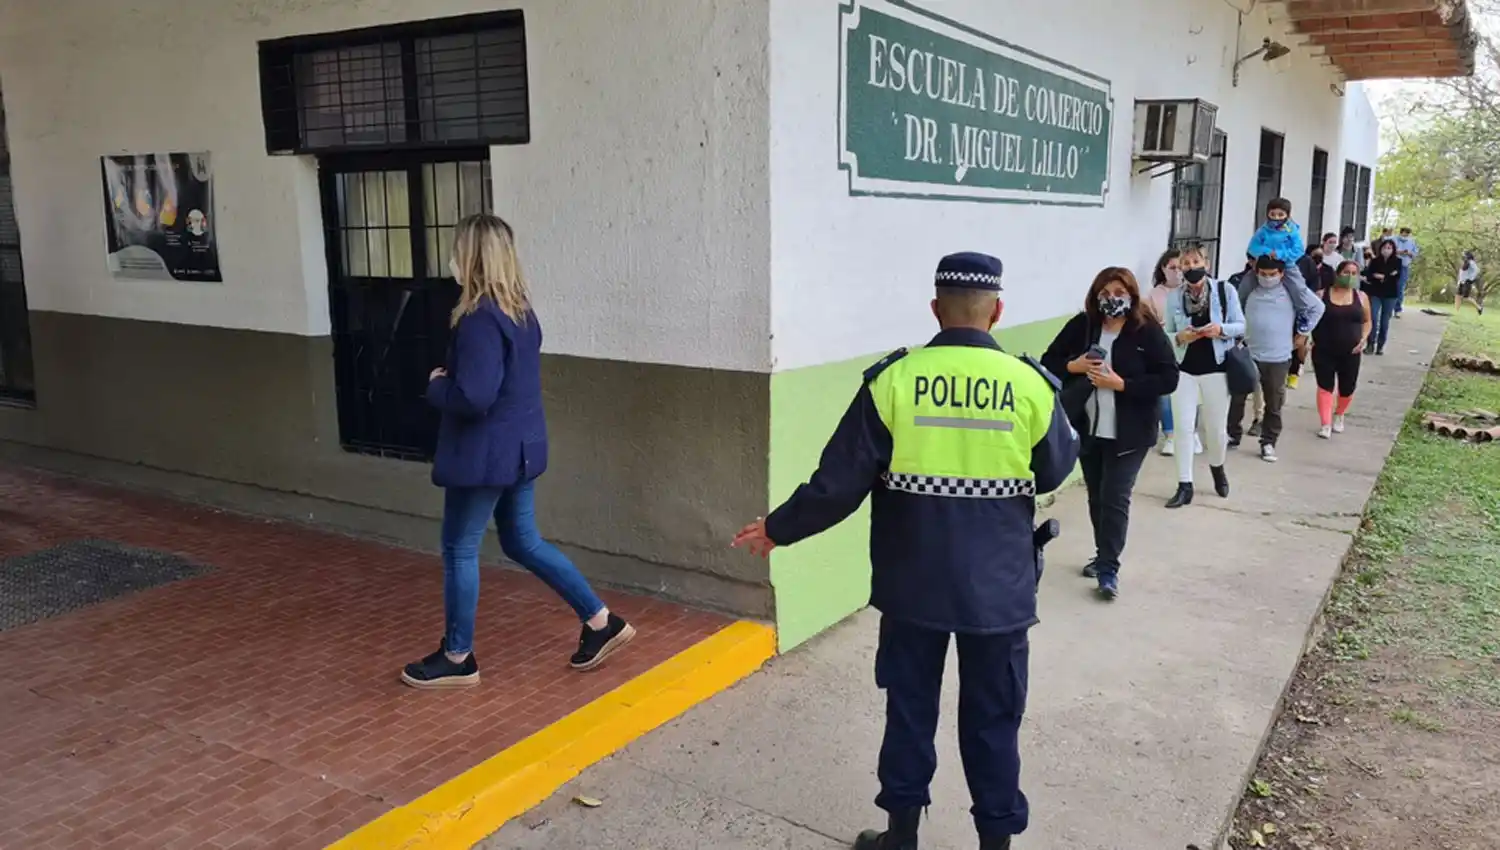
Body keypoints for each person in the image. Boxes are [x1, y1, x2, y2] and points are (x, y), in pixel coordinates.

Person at [732, 252, 1079, 850]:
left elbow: (836, 483)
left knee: (910, 711)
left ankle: (900, 836)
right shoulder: (1029, 384)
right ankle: (995, 841)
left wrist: (779, 529)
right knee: (994, 719)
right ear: (996, 311)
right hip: (998, 591)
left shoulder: (893, 381)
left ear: (935, 311)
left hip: (912, 585)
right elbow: (1052, 471)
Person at [403, 214, 635, 689]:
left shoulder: (478, 319)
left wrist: (437, 387)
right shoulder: (521, 312)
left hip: (485, 457)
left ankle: (457, 656)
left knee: (459, 548)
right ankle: (599, 621)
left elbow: (475, 396)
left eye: (457, 249)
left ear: (471, 256)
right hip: (520, 450)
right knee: (522, 541)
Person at [1041, 267, 1179, 598]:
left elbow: (1168, 377)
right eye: (1105, 293)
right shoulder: (1083, 325)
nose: (1111, 299)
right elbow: (1049, 360)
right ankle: (1103, 552)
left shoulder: (1145, 331)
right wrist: (1073, 366)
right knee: (1097, 496)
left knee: (1115, 497)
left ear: (1131, 296)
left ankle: (1108, 568)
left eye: (1119, 293)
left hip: (1129, 433)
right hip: (1088, 430)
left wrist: (1122, 385)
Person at [1162, 247, 1245, 508]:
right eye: (1185, 263)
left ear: (1206, 263)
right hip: (1185, 369)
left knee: (1216, 431)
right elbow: (1168, 332)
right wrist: (1179, 337)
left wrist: (1220, 329)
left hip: (1217, 368)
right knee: (1183, 428)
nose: (1190, 267)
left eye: (1195, 261)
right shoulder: (1175, 297)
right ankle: (1184, 485)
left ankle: (1217, 467)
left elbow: (1241, 325)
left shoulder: (1224, 291)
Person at [1228, 256, 1324, 463]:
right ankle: (1232, 435)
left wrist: (1303, 331)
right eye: (1263, 274)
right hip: (1248, 352)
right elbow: (1234, 309)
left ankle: (1268, 442)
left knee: (1274, 403)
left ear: (1281, 274)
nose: (1267, 278)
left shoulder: (1291, 291)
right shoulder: (1249, 288)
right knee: (1237, 398)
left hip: (1278, 356)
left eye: (1273, 275)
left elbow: (1317, 307)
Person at [1147, 248, 1201, 458]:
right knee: (1166, 394)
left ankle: (1192, 432)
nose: (1178, 272)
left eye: (1182, 267)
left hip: (1192, 349)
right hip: (1165, 348)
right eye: (1173, 268)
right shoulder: (1155, 294)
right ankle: (1170, 435)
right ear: (1163, 269)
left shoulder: (1193, 291)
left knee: (1193, 394)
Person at [1311, 260, 1371, 439]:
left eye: (1354, 273)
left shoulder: (1361, 297)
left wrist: (1363, 338)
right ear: (1338, 274)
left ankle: (1339, 414)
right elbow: (1310, 318)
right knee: (1325, 386)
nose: (1350, 276)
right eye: (1346, 272)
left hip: (1351, 352)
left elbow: (1367, 321)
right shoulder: (1321, 295)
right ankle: (1325, 423)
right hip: (1324, 349)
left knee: (1347, 388)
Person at [1362, 239, 1403, 356]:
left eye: (1389, 248)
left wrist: (1382, 276)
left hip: (1390, 294)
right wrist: (1376, 275)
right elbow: (1369, 274)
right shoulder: (1375, 261)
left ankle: (1380, 345)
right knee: (1373, 318)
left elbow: (1395, 276)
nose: (1387, 250)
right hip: (1375, 292)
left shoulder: (1397, 261)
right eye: (1385, 247)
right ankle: (1370, 343)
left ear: (1393, 250)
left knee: (1385, 321)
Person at [1247, 198, 1304, 265]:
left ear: (1287, 215)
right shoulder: (1263, 230)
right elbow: (1252, 248)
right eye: (1272, 214)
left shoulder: (1291, 230)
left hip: (1287, 266)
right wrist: (1268, 253)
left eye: (1280, 215)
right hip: (1265, 266)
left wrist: (1279, 254)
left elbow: (1299, 250)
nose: (1276, 218)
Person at [1393, 227, 1420, 316]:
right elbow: (1388, 250)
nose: (1406, 236)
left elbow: (1415, 253)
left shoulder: (1411, 242)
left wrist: (1409, 253)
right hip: (1393, 265)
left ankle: (1398, 309)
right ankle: (1389, 307)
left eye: (1407, 234)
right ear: (1401, 233)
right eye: (1404, 234)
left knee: (1400, 287)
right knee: (1391, 286)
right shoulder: (1393, 239)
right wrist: (1399, 252)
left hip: (1404, 266)